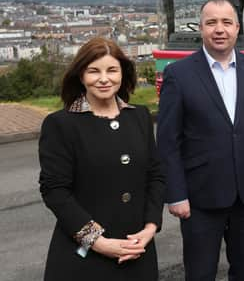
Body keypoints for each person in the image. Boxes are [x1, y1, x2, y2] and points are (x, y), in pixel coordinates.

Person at [157, 0, 244, 281]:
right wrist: (176, 194)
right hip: (200, 197)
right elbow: (168, 142)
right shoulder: (178, 75)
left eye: (226, 22)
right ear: (201, 28)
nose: (219, 29)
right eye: (211, 22)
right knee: (200, 273)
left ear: (237, 28)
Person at [39, 37, 165, 281]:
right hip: (84, 260)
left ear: (123, 73)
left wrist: (150, 228)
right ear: (80, 76)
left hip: (137, 253)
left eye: (112, 70)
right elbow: (55, 191)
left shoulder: (139, 116)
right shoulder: (60, 124)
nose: (104, 79)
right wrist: (97, 242)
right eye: (94, 71)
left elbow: (156, 175)